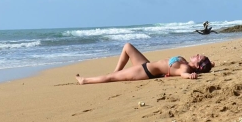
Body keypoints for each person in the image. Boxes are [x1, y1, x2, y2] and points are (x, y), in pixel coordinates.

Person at [75, 42, 214, 84]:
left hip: (145, 72)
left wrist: (190, 76)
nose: (196, 55)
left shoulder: (184, 68)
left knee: (110, 78)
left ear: (196, 65)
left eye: (198, 57)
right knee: (127, 46)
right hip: (146, 64)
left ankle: (85, 80)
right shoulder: (185, 62)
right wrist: (210, 64)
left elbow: (182, 74)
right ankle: (116, 71)